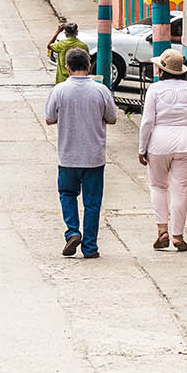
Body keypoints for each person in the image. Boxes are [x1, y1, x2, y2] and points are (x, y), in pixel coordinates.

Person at [43, 47, 117, 259]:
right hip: (94, 157)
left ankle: (73, 231)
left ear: (67, 68)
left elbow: (49, 118)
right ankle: (90, 247)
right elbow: (112, 118)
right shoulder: (100, 90)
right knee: (92, 203)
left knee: (67, 195)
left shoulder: (59, 90)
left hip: (68, 156)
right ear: (89, 66)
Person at [139, 48, 187, 252]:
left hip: (158, 143)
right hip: (186, 143)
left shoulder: (154, 89)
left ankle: (162, 230)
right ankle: (178, 236)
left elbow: (147, 122)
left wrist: (142, 148)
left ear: (162, 70)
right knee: (180, 190)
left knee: (158, 187)